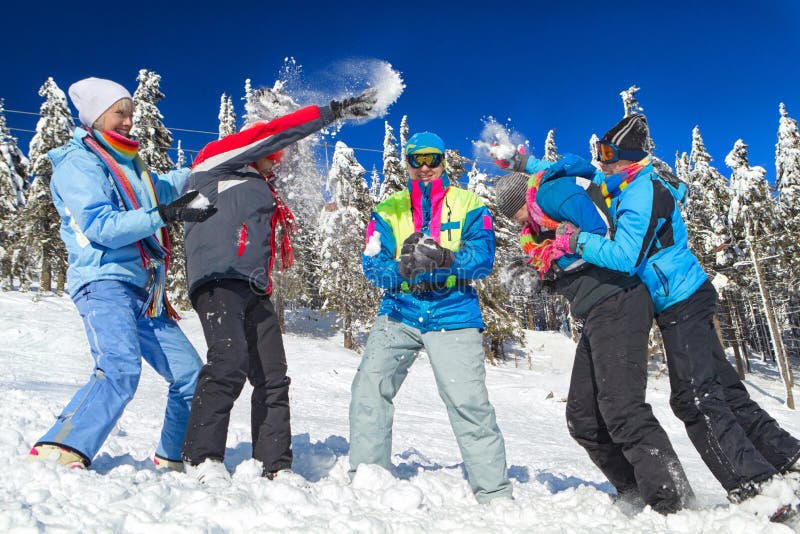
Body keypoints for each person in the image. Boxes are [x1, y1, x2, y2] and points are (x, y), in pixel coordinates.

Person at [549, 113, 800, 515]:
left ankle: (757, 489)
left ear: (629, 158)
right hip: (679, 301)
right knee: (727, 393)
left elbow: (626, 257)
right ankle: (789, 459)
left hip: (681, 301)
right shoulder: (623, 184)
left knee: (694, 400)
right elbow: (584, 171)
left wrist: (576, 240)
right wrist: (527, 165)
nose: (601, 163)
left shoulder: (640, 192)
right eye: (599, 155)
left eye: (609, 156)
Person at [180, 90, 378, 485]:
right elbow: (276, 132)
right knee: (228, 362)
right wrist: (333, 112)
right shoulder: (217, 161)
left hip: (255, 288)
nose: (279, 158)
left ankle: (275, 465)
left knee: (273, 376)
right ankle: (202, 457)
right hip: (218, 279)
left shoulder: (258, 184)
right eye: (274, 151)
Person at [28, 77, 215, 470]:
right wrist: (165, 214)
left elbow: (164, 186)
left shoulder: (133, 168)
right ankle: (60, 446)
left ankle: (170, 455)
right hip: (103, 282)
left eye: (131, 112)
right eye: (120, 112)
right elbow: (101, 226)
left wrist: (213, 164)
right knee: (119, 367)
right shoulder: (79, 163)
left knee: (190, 376)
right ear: (96, 115)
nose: (129, 120)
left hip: (144, 291)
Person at [492, 156, 694, 514]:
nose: (515, 223)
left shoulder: (553, 194)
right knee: (582, 418)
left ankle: (673, 503)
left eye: (513, 214)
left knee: (622, 408)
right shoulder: (538, 225)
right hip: (596, 311)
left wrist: (551, 261)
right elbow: (569, 263)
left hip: (620, 299)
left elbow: (598, 234)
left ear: (520, 203)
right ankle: (635, 492)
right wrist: (539, 275)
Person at [349, 131, 512, 503]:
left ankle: (495, 493)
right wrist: (404, 267)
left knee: (468, 401)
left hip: (452, 311)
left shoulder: (469, 203)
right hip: (400, 310)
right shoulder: (388, 209)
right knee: (369, 391)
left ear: (443, 162)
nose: (424, 168)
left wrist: (445, 259)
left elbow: (483, 258)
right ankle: (367, 481)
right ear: (406, 163)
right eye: (416, 160)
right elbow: (372, 266)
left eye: (432, 159)